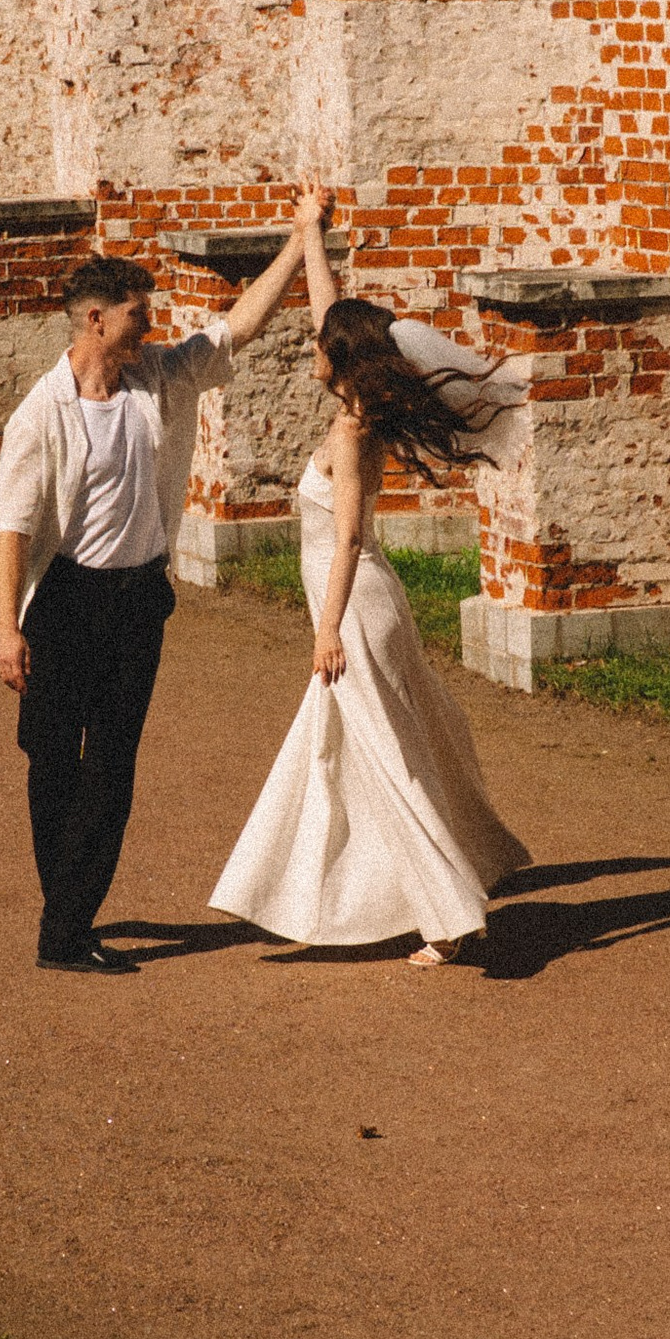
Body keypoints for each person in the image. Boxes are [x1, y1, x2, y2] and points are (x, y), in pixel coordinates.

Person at [0, 225, 317, 975]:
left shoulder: (158, 378)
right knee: (49, 760)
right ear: (96, 319)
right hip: (66, 603)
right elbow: (10, 528)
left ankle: (65, 931)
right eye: (140, 313)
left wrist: (301, 241)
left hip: (137, 605)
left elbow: (239, 328)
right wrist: (8, 628)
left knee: (111, 767)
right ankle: (68, 910)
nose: (152, 326)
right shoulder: (43, 412)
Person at [212, 192, 529, 968]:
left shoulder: (353, 435)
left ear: (342, 361)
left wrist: (324, 631)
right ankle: (379, 894)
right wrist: (310, 233)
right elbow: (333, 312)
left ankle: (450, 918)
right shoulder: (359, 403)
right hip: (363, 603)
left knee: (389, 754)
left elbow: (349, 538)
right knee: (363, 748)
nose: (310, 349)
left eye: (323, 346)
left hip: (355, 608)